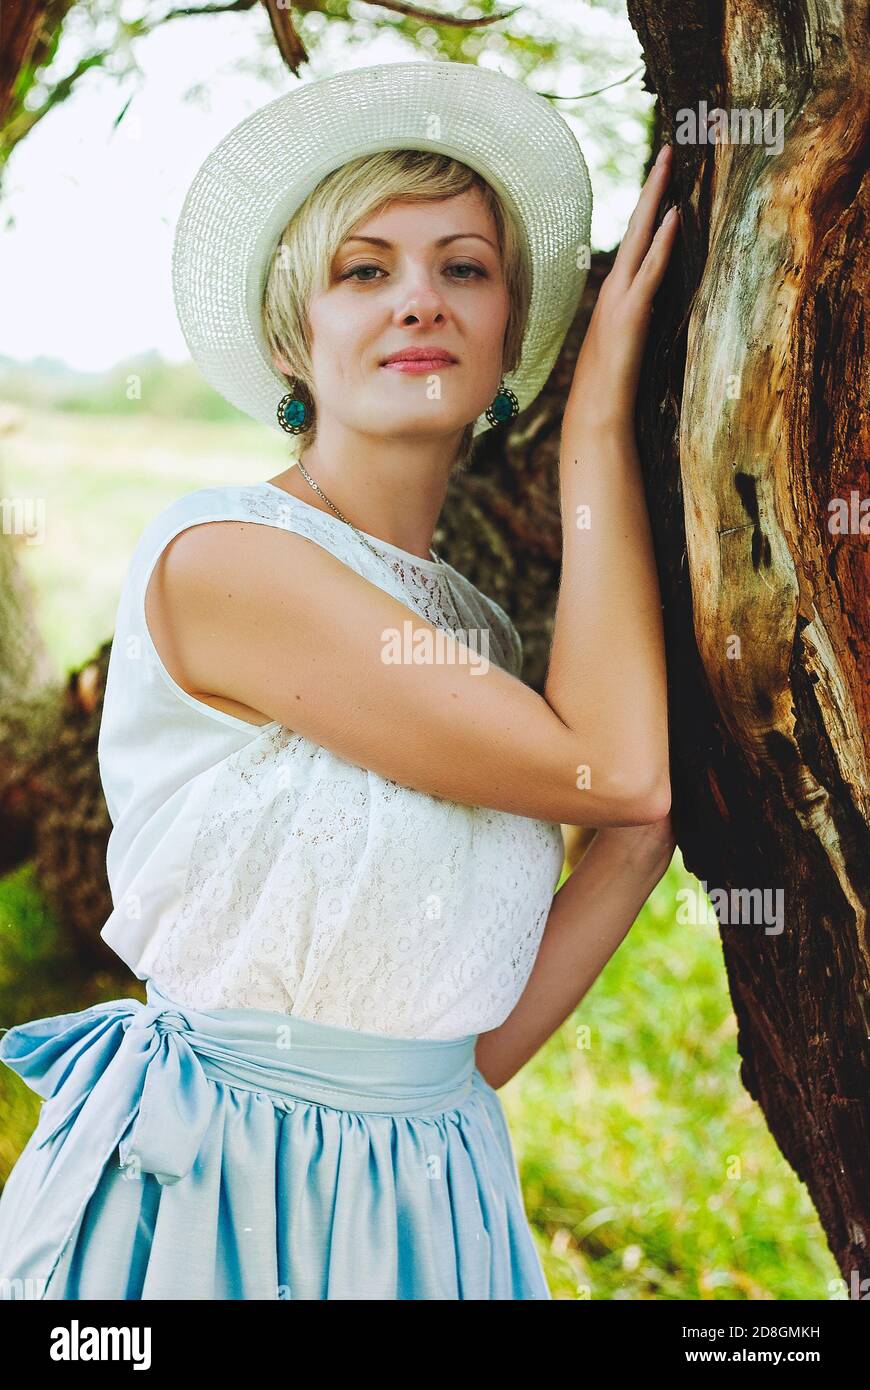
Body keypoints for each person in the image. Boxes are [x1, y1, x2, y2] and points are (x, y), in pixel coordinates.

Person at [0, 60, 677, 1301]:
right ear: (290, 335)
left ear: (509, 331)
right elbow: (617, 763)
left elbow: (466, 1042)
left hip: (429, 1203)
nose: (419, 298)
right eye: (365, 271)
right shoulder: (227, 560)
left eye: (463, 268)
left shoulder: (473, 632)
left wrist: (638, 833)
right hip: (216, 1200)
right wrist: (595, 427)